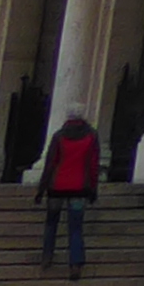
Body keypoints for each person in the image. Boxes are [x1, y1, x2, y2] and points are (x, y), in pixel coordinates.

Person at [37, 111, 101, 274]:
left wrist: (41, 189)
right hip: (80, 187)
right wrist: (93, 188)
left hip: (57, 185)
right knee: (76, 228)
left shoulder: (59, 136)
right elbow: (93, 165)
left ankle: (47, 257)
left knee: (51, 224)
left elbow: (50, 163)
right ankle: (75, 263)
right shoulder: (91, 137)